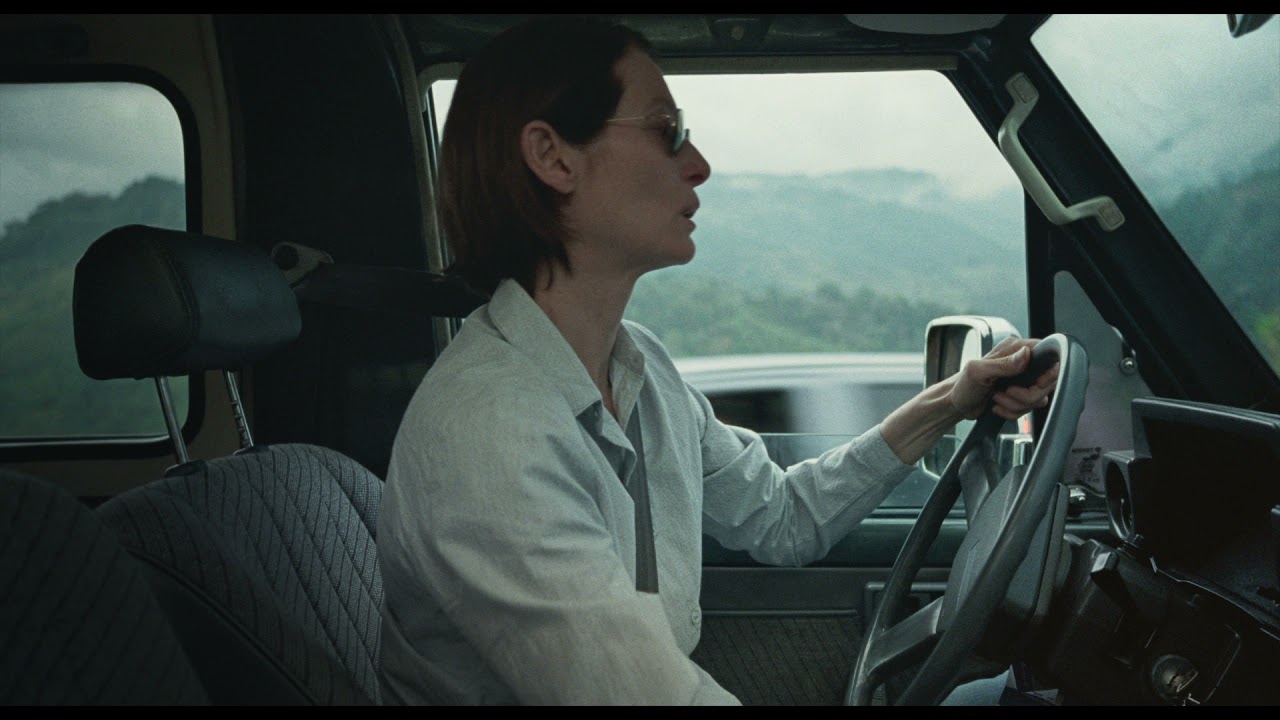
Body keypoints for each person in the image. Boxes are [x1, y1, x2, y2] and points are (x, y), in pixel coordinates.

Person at [376, 14, 1058, 706]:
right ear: (553, 158)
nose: (699, 163)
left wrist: (953, 401)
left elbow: (785, 517)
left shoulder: (642, 368)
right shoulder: (488, 432)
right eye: (666, 130)